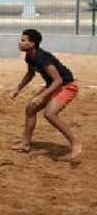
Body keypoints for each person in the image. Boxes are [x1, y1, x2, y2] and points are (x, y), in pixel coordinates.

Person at [9, 29, 82, 160]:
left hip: (67, 86)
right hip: (53, 85)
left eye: (23, 40)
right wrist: (18, 89)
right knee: (30, 108)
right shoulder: (30, 57)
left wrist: (41, 96)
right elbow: (30, 74)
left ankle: (75, 143)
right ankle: (25, 144)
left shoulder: (42, 58)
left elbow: (58, 80)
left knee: (50, 113)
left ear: (32, 44)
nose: (19, 43)